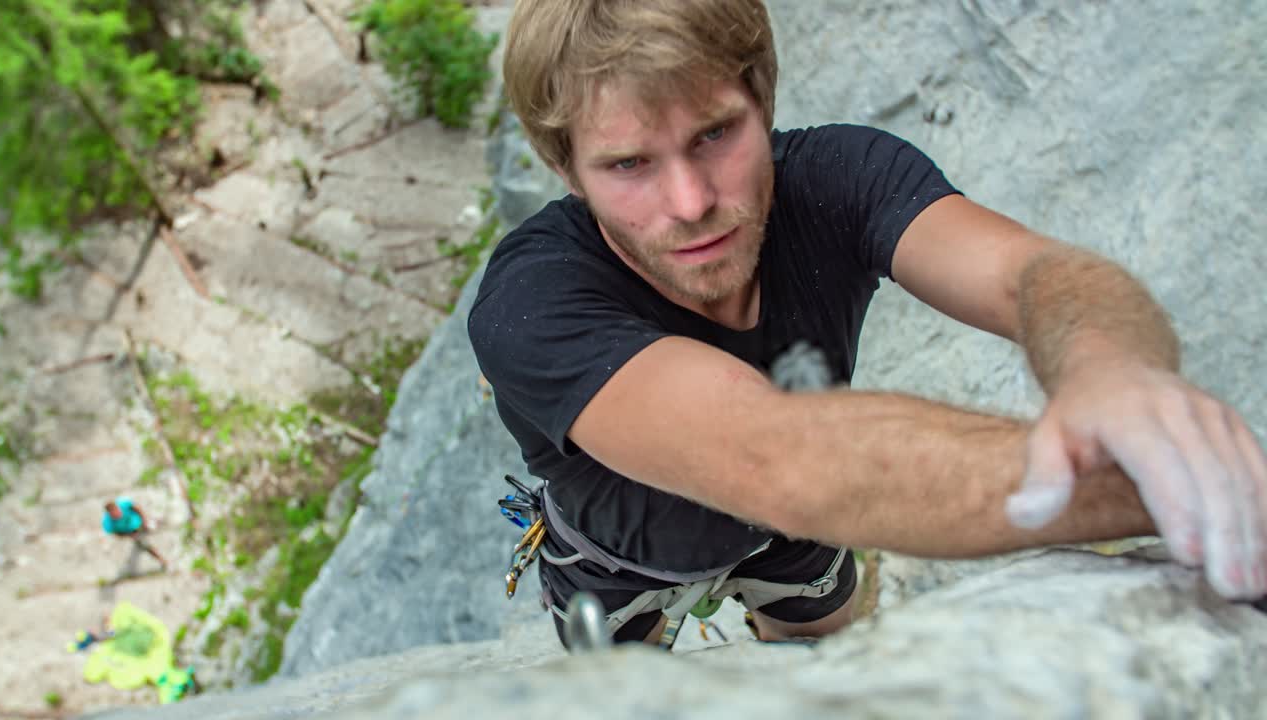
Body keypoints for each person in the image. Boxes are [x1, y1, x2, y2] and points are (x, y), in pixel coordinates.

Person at [468, 0, 1267, 649]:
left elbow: (1038, 275)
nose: (691, 202)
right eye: (629, 164)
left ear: (763, 100)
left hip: (799, 533)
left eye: (714, 134)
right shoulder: (531, 300)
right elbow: (774, 457)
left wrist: (1111, 369)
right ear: (566, 170)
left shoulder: (842, 177)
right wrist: (1173, 486)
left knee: (832, 663)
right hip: (621, 559)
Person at [102, 496, 168, 570]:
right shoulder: (108, 523)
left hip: (141, 522)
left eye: (117, 511)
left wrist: (144, 520)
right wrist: (129, 535)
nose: (117, 515)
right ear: (110, 514)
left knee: (155, 524)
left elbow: (138, 509)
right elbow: (117, 534)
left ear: (117, 508)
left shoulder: (124, 504)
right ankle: (162, 561)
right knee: (145, 544)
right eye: (114, 514)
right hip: (132, 532)